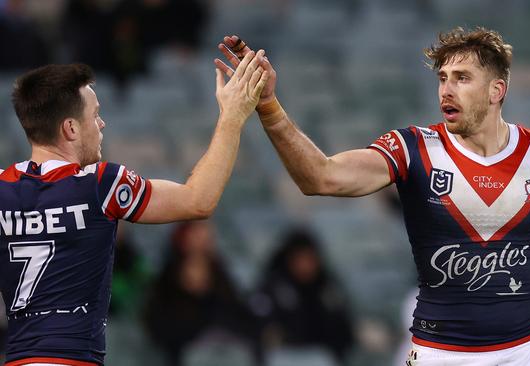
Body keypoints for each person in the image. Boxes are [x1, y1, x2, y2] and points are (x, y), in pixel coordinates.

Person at [215, 28, 530, 366]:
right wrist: (269, 106)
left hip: (524, 353)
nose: (446, 91)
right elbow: (320, 177)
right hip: (439, 354)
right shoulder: (412, 149)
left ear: (497, 90)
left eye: (461, 78)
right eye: (442, 79)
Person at [0, 49, 268, 365]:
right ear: (71, 128)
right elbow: (199, 200)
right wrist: (232, 115)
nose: (101, 123)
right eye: (94, 114)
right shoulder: (99, 183)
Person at [143, 220, 262, 366]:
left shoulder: (222, 277)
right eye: (197, 236)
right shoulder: (166, 282)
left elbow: (239, 315)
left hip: (225, 348)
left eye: (207, 236)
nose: (203, 241)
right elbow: (160, 326)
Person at [254, 227, 354, 364]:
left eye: (310, 259)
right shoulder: (272, 288)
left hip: (322, 357)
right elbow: (263, 329)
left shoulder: (326, 289)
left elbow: (342, 330)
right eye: (301, 259)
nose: (306, 265)